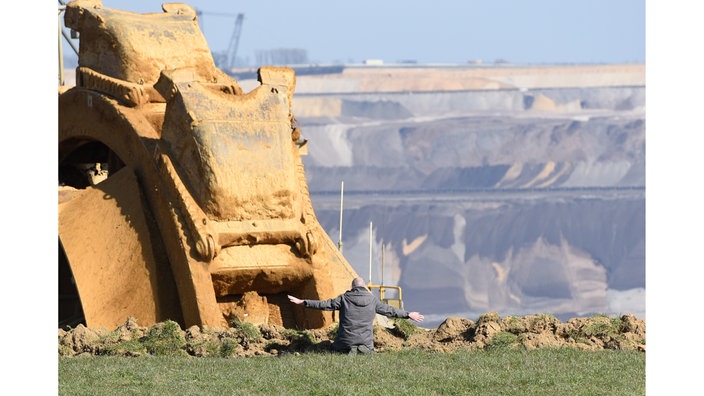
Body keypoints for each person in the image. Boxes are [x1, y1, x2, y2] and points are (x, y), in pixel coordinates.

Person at [287, 277, 424, 354]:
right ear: (364, 287)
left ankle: (350, 349)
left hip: (344, 344)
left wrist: (303, 302)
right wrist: (408, 314)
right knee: (368, 349)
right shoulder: (372, 300)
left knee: (332, 348)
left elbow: (323, 304)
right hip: (366, 343)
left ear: (352, 287)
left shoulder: (344, 298)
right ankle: (363, 349)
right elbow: (390, 311)